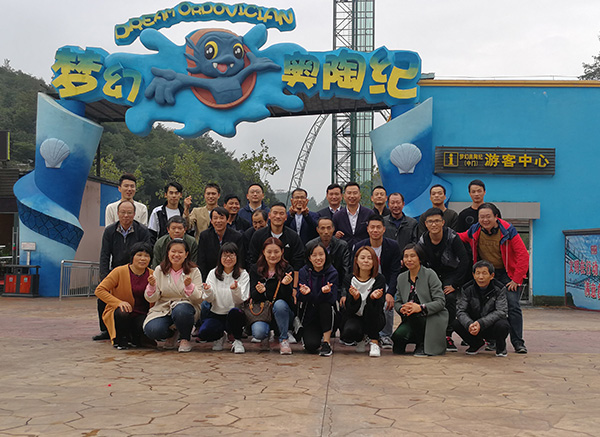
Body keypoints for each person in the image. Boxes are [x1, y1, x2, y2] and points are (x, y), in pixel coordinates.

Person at [458, 203, 529, 354]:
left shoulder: (508, 230)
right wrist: (442, 233)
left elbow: (523, 254)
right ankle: (493, 341)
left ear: (496, 217)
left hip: (507, 273)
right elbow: (462, 237)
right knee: (486, 306)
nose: (485, 220)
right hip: (487, 274)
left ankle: (518, 342)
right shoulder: (475, 230)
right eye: (481, 217)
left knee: (512, 305)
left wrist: (517, 279)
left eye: (488, 216)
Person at [94, 200, 152, 341]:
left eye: (129, 212)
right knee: (103, 298)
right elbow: (105, 254)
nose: (126, 215)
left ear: (134, 214)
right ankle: (106, 330)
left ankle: (133, 329)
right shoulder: (110, 231)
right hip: (117, 271)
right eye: (123, 212)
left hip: (137, 270)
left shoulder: (142, 230)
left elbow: (146, 252)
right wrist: (104, 275)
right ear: (117, 213)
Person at [417, 207, 470, 352]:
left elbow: (464, 260)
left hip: (450, 273)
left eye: (437, 221)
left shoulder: (452, 237)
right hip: (432, 274)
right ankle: (426, 333)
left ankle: (447, 334)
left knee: (450, 298)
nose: (434, 224)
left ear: (443, 222)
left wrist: (455, 284)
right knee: (426, 298)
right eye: (430, 222)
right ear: (426, 224)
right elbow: (418, 260)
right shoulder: (423, 240)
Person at [143, 238, 204, 353]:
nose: (176, 255)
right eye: (173, 251)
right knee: (152, 330)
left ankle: (185, 338)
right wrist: (152, 286)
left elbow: (199, 298)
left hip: (186, 307)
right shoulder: (159, 270)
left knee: (181, 310)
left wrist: (189, 287)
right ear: (168, 253)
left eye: (180, 252)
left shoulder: (194, 271)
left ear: (186, 254)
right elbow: (152, 298)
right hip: (164, 308)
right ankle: (173, 333)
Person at [354, 214, 401, 350]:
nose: (375, 230)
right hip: (364, 281)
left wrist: (390, 292)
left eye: (378, 227)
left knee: (386, 303)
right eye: (372, 227)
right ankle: (365, 334)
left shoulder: (393, 246)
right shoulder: (360, 246)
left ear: (384, 229)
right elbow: (354, 269)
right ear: (367, 229)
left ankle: (385, 335)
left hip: (384, 282)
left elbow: (395, 271)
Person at [95, 242, 154, 349]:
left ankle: (135, 338)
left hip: (142, 313)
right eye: (139, 255)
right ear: (132, 257)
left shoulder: (152, 274)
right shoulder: (119, 271)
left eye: (146, 256)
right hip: (121, 311)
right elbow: (100, 290)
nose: (143, 259)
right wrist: (118, 302)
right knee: (123, 312)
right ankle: (120, 339)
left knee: (145, 331)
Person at [392, 244, 448, 356]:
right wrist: (402, 308)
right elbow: (397, 302)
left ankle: (422, 344)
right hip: (410, 318)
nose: (409, 259)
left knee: (415, 314)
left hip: (430, 317)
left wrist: (420, 307)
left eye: (412, 256)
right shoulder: (401, 277)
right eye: (406, 256)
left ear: (420, 258)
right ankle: (414, 339)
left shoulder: (430, 274)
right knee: (398, 338)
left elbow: (440, 302)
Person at [198, 242, 249, 353]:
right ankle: (220, 336)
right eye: (225, 256)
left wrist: (235, 289)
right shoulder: (213, 273)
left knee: (235, 313)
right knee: (204, 332)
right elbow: (209, 299)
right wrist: (208, 290)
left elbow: (241, 299)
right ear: (220, 257)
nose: (228, 259)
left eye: (231, 255)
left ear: (237, 257)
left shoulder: (243, 274)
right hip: (217, 313)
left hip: (234, 313)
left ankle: (237, 340)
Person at [249, 238, 296, 354]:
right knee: (258, 332)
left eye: (276, 252)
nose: (273, 255)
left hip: (282, 312)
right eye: (269, 252)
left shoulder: (287, 269)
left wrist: (285, 285)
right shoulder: (255, 269)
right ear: (263, 252)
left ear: (282, 252)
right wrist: (260, 291)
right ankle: (265, 336)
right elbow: (254, 296)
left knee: (280, 304)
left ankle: (283, 339)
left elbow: (288, 299)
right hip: (263, 311)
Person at [454, 260, 510, 357]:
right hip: (473, 325)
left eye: (484, 273)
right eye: (478, 273)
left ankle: (500, 347)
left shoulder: (499, 288)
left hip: (490, 325)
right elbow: (460, 310)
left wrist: (481, 323)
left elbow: (501, 311)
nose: (480, 277)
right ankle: (476, 344)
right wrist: (469, 324)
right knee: (456, 323)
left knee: (503, 325)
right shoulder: (467, 288)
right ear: (473, 275)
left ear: (492, 276)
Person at [341, 246, 386, 357]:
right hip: (356, 316)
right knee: (349, 330)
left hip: (374, 316)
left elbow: (379, 307)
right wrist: (355, 299)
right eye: (362, 258)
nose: (366, 261)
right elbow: (349, 309)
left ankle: (374, 342)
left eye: (369, 258)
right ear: (356, 260)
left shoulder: (379, 279)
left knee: (373, 314)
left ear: (375, 261)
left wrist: (372, 298)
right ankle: (360, 339)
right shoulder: (349, 279)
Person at [297, 243, 338, 356]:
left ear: (326, 255)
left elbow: (333, 299)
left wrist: (325, 293)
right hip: (310, 316)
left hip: (326, 315)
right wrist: (306, 293)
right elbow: (299, 297)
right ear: (309, 258)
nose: (318, 258)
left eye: (321, 254)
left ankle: (326, 342)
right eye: (314, 255)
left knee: (325, 304)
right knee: (311, 346)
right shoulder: (303, 272)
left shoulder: (332, 272)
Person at [247, 202, 305, 274]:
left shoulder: (293, 236)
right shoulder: (258, 235)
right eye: (275, 213)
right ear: (269, 215)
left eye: (281, 213)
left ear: (286, 217)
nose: (278, 216)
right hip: (261, 276)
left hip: (286, 276)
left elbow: (298, 260)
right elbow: (252, 258)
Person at [307, 217, 351, 301]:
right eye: (322, 228)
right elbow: (307, 269)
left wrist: (344, 293)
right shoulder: (310, 245)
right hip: (315, 287)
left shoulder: (342, 246)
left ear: (333, 229)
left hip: (337, 286)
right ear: (317, 230)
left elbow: (346, 271)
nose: (326, 232)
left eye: (329, 228)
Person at [197, 207, 244, 279]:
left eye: (221, 218)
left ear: (227, 220)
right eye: (215, 218)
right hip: (210, 274)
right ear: (211, 221)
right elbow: (201, 259)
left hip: (231, 274)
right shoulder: (205, 236)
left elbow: (240, 258)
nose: (218, 221)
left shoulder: (237, 236)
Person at [332, 182, 373, 251]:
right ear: (344, 196)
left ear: (360, 195)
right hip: (344, 253)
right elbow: (332, 237)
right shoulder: (337, 216)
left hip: (364, 252)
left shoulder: (369, 213)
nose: (352, 196)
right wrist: (336, 236)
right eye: (349, 193)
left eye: (355, 193)